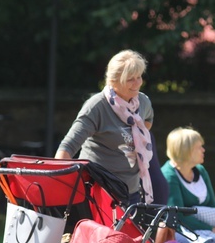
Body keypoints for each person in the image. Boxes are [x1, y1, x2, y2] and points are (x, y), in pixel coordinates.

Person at [55, 49, 154, 205]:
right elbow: (66, 149)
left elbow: (148, 120)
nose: (137, 83)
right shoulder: (97, 106)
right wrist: (61, 192)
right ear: (114, 81)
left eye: (139, 77)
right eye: (130, 79)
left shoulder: (143, 102)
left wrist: (137, 137)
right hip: (99, 193)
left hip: (132, 191)